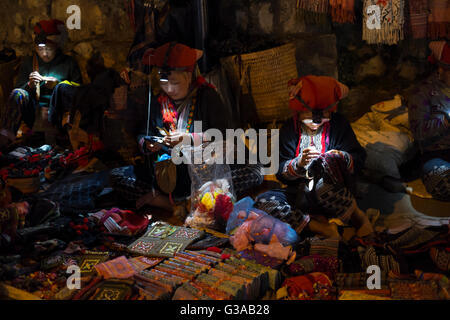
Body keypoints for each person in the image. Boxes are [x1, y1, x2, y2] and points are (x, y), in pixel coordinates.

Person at [111, 42, 263, 213]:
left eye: (174, 83)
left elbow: (224, 135)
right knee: (117, 176)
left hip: (203, 171)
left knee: (255, 171)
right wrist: (147, 143)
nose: (169, 89)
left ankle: (190, 199)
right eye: (164, 83)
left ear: (188, 77)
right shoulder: (159, 101)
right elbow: (143, 133)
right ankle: (179, 202)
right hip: (168, 172)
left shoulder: (207, 97)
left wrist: (189, 139)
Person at [254, 75, 373, 239]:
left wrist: (339, 158)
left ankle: (358, 218)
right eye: (310, 115)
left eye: (323, 114)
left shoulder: (339, 125)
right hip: (300, 195)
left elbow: (359, 158)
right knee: (262, 202)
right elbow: (280, 172)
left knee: (322, 181)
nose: (316, 122)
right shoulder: (289, 130)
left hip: (333, 193)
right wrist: (299, 164)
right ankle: (321, 227)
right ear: (299, 111)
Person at [0, 19, 82, 148]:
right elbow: (17, 90)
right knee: (18, 94)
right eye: (40, 49)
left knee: (64, 89)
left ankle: (62, 138)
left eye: (49, 49)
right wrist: (29, 85)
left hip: (58, 114)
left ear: (57, 46)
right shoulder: (29, 62)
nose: (44, 53)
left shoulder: (68, 63)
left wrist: (59, 85)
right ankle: (4, 140)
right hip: (34, 113)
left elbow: (80, 91)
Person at [406, 41, 450, 201]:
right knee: (443, 183)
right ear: (441, 69)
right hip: (435, 154)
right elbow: (418, 132)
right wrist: (445, 122)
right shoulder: (422, 93)